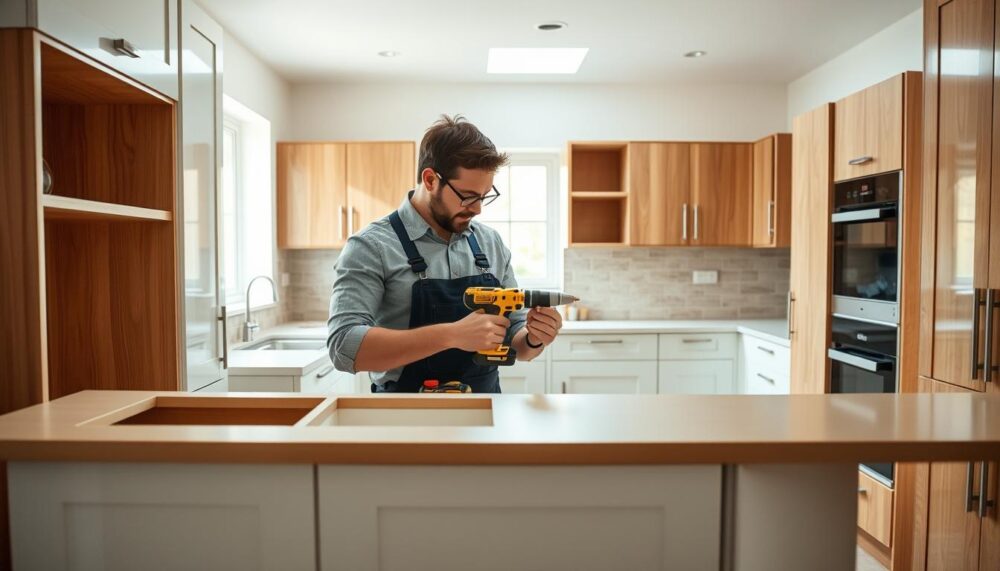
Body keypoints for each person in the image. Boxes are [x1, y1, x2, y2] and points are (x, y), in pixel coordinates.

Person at [326, 115, 563, 393]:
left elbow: (517, 339)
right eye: (468, 195)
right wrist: (452, 335)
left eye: (485, 195)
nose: (477, 209)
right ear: (430, 179)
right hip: (405, 417)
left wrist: (535, 338)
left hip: (486, 411)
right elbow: (343, 347)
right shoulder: (371, 246)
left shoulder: (490, 242)